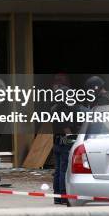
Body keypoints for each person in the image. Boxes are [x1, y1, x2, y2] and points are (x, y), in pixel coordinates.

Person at [50, 74, 74, 205]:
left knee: (58, 169)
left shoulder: (54, 107)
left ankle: (57, 196)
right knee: (64, 170)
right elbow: (65, 127)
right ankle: (64, 196)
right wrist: (72, 140)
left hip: (56, 140)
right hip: (64, 141)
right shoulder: (63, 108)